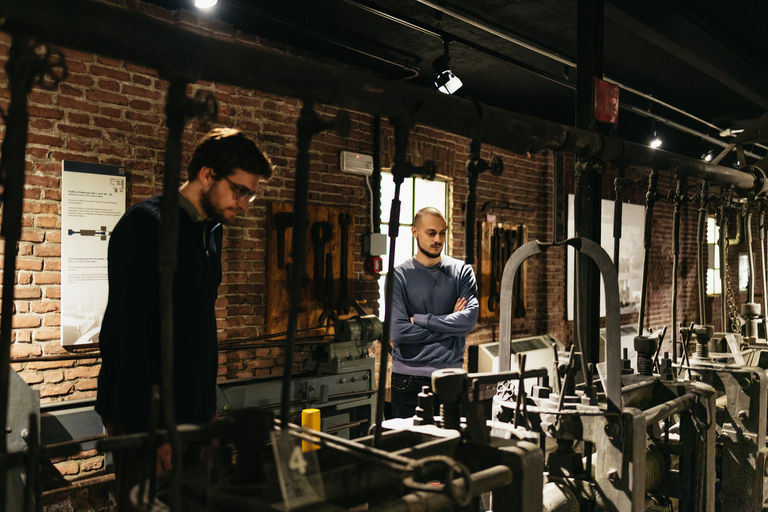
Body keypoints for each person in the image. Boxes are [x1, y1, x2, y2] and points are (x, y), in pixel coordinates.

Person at [95, 128, 272, 510]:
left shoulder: (210, 230)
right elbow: (124, 338)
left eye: (251, 194)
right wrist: (150, 431)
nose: (245, 204)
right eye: (240, 190)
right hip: (147, 418)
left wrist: (205, 407)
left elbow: (197, 326)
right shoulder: (147, 225)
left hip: (195, 415)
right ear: (207, 175)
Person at [389, 207, 479, 418]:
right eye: (431, 233)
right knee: (409, 448)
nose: (438, 239)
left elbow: (469, 321)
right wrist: (451, 326)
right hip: (409, 379)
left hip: (452, 377)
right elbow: (400, 332)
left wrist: (422, 320)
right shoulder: (398, 276)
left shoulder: (462, 271)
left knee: (452, 447)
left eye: (442, 232)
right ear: (414, 232)